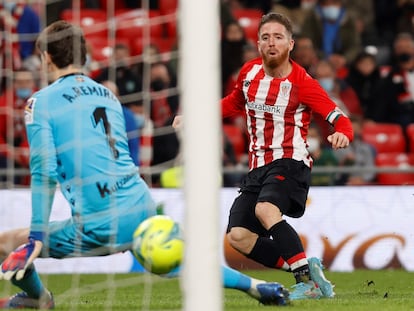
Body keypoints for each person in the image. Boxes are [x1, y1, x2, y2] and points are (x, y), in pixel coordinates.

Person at [0, 20, 289, 309]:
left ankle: (38, 297)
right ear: (84, 55)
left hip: (97, 222)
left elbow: (44, 172)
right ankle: (257, 286)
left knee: (8, 243)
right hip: (138, 203)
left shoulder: (40, 103)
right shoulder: (108, 95)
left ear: (47, 57)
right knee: (175, 261)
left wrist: (37, 236)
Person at [174, 12, 353, 300]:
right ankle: (305, 267)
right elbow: (232, 103)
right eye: (266, 37)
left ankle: (307, 283)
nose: (272, 42)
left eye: (278, 37)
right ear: (258, 43)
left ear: (291, 44)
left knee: (266, 210)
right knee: (239, 238)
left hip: (291, 161)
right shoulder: (248, 73)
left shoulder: (302, 83)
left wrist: (343, 134)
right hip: (258, 166)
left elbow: (339, 118)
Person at [0, 69, 37, 185]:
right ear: (14, 84)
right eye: (20, 82)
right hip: (11, 149)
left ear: (33, 83)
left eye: (27, 81)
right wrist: (11, 153)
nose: (24, 85)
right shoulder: (4, 102)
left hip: (36, 148)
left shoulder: (41, 100)